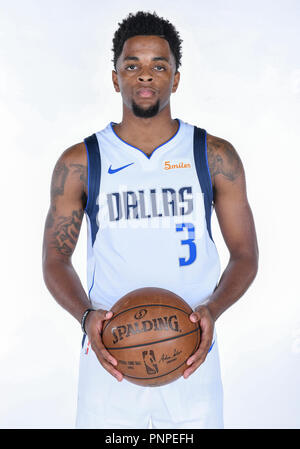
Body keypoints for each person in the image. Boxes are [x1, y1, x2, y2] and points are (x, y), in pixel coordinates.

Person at [42, 11, 258, 429]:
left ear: (175, 79)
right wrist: (88, 318)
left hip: (192, 351)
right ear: (115, 77)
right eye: (132, 65)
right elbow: (54, 259)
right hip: (109, 356)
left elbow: (246, 254)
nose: (145, 76)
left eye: (159, 65)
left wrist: (213, 309)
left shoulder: (214, 155)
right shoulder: (82, 161)